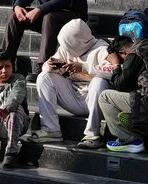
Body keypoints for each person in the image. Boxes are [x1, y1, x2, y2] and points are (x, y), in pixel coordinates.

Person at [33, 16, 109, 144]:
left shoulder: (102, 49)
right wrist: (49, 66)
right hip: (73, 97)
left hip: (94, 99)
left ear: (78, 41)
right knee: (43, 77)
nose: (65, 48)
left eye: (68, 43)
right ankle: (51, 130)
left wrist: (84, 67)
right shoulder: (66, 49)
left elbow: (113, 71)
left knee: (99, 82)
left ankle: (92, 133)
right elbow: (49, 68)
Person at [79, 36, 138, 149]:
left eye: (121, 61)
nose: (122, 65)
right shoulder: (146, 48)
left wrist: (116, 65)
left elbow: (122, 84)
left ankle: (129, 139)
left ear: (122, 53)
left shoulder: (133, 57)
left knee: (105, 96)